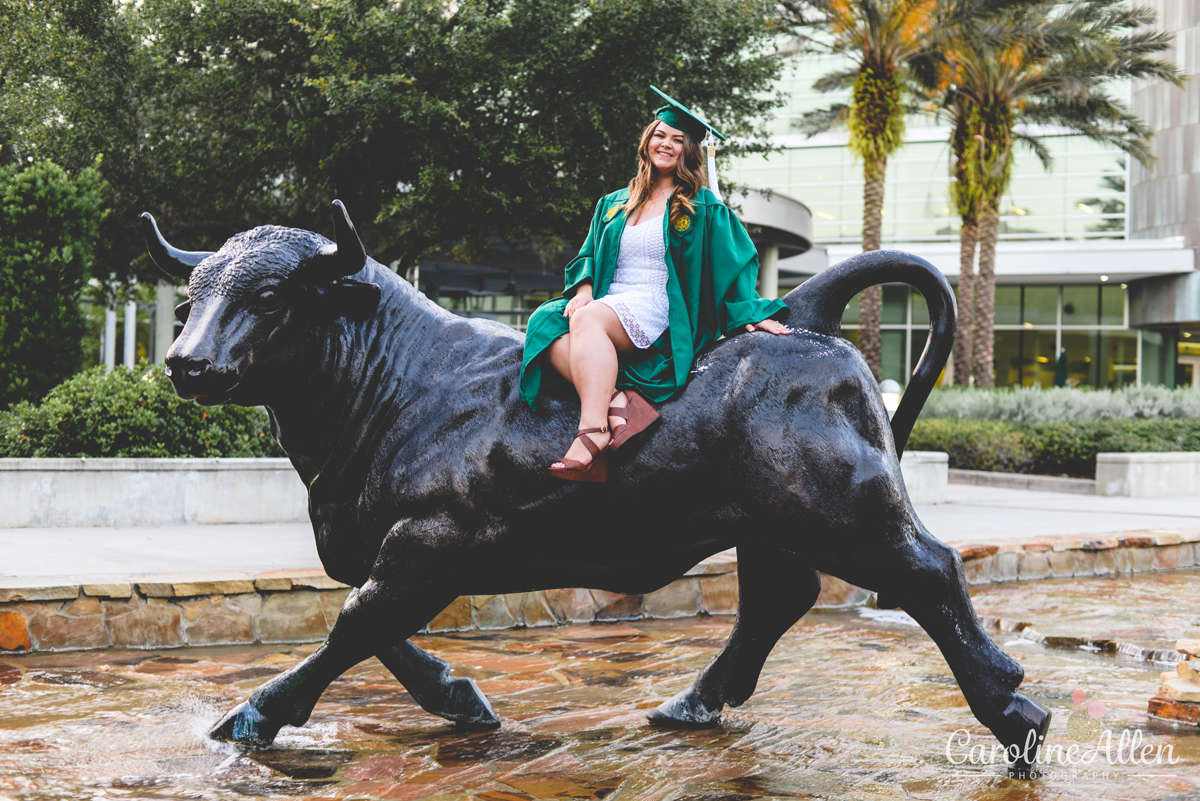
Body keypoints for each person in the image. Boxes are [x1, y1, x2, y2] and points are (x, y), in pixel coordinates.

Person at [519, 86, 792, 482]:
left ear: (688, 151)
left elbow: (731, 264)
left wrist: (748, 312)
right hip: (609, 299)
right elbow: (588, 255)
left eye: (677, 140)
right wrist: (582, 290)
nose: (666, 144)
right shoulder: (614, 202)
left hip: (658, 306)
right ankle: (617, 405)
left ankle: (592, 434)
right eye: (660, 135)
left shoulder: (701, 207)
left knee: (589, 320)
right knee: (544, 323)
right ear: (648, 140)